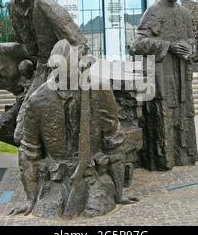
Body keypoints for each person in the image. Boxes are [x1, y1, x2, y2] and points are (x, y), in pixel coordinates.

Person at [9, 40, 136, 218]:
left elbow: (113, 139)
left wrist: (119, 192)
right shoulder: (37, 100)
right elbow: (28, 151)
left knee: (95, 209)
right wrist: (30, 199)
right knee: (49, 210)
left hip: (93, 176)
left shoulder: (99, 89)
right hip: (55, 179)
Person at [0, 0, 88, 144]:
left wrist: (72, 72)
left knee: (36, 112)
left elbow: (78, 41)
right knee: (20, 126)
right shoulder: (14, 9)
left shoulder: (47, 6)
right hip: (39, 68)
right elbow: (22, 43)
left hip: (60, 69)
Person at [131, 0, 198, 170]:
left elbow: (192, 40)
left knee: (184, 112)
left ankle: (184, 155)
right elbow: (138, 45)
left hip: (182, 72)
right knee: (163, 115)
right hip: (162, 72)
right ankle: (163, 159)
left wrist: (189, 48)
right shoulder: (154, 11)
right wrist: (168, 46)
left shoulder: (184, 13)